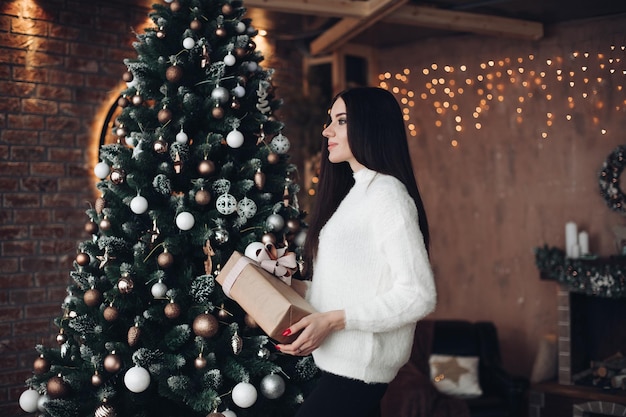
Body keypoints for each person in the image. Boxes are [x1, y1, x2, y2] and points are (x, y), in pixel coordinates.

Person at [276, 86, 437, 417]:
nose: (327, 131)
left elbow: (418, 295)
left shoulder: (387, 196)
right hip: (338, 368)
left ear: (371, 126)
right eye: (329, 120)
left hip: (358, 374)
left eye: (341, 121)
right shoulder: (357, 194)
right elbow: (346, 286)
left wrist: (332, 322)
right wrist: (286, 286)